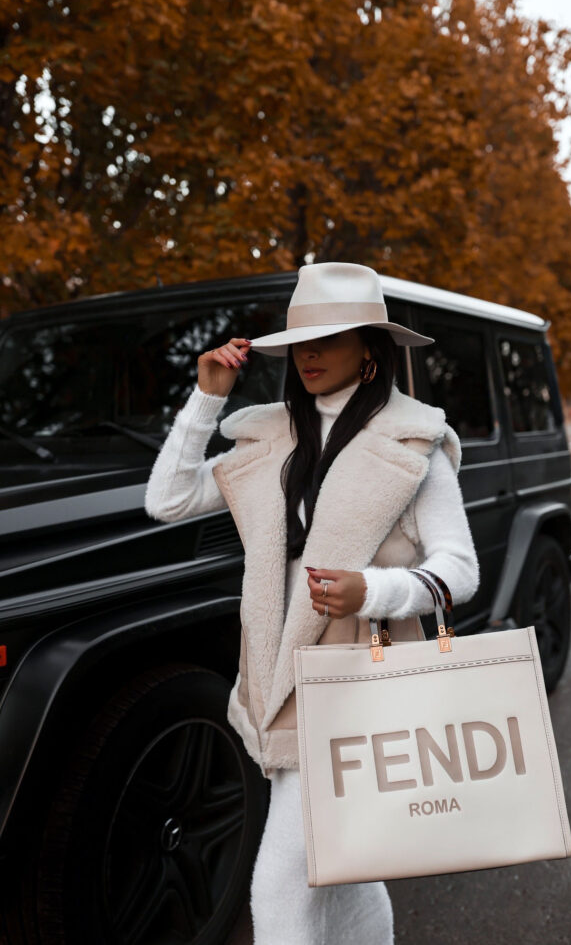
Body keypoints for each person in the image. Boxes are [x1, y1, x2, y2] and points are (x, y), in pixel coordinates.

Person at [145, 261, 480, 944]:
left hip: (360, 682)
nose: (310, 354)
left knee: (280, 882)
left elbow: (459, 569)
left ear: (370, 347)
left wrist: (376, 589)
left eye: (330, 338)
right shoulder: (271, 435)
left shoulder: (412, 442)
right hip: (278, 678)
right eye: (301, 340)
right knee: (346, 865)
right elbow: (167, 499)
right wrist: (206, 398)